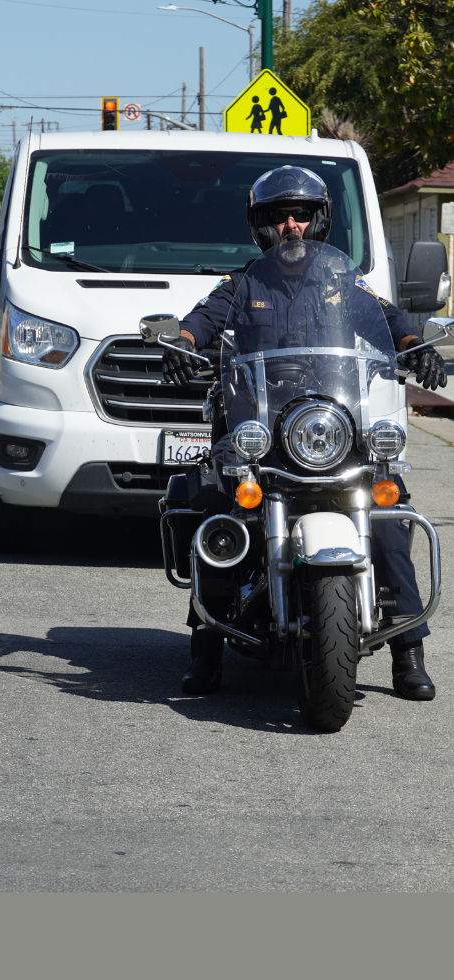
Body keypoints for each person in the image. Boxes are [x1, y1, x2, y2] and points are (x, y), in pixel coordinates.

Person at [162, 164, 445, 701]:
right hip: (260, 431)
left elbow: (390, 320)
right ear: (260, 227)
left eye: (300, 215)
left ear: (319, 223)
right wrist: (180, 342)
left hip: (332, 427)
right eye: (278, 217)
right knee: (220, 510)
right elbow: (198, 322)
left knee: (387, 513)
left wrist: (418, 344)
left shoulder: (345, 287)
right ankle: (206, 644)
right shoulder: (244, 286)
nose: (290, 225)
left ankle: (408, 651)